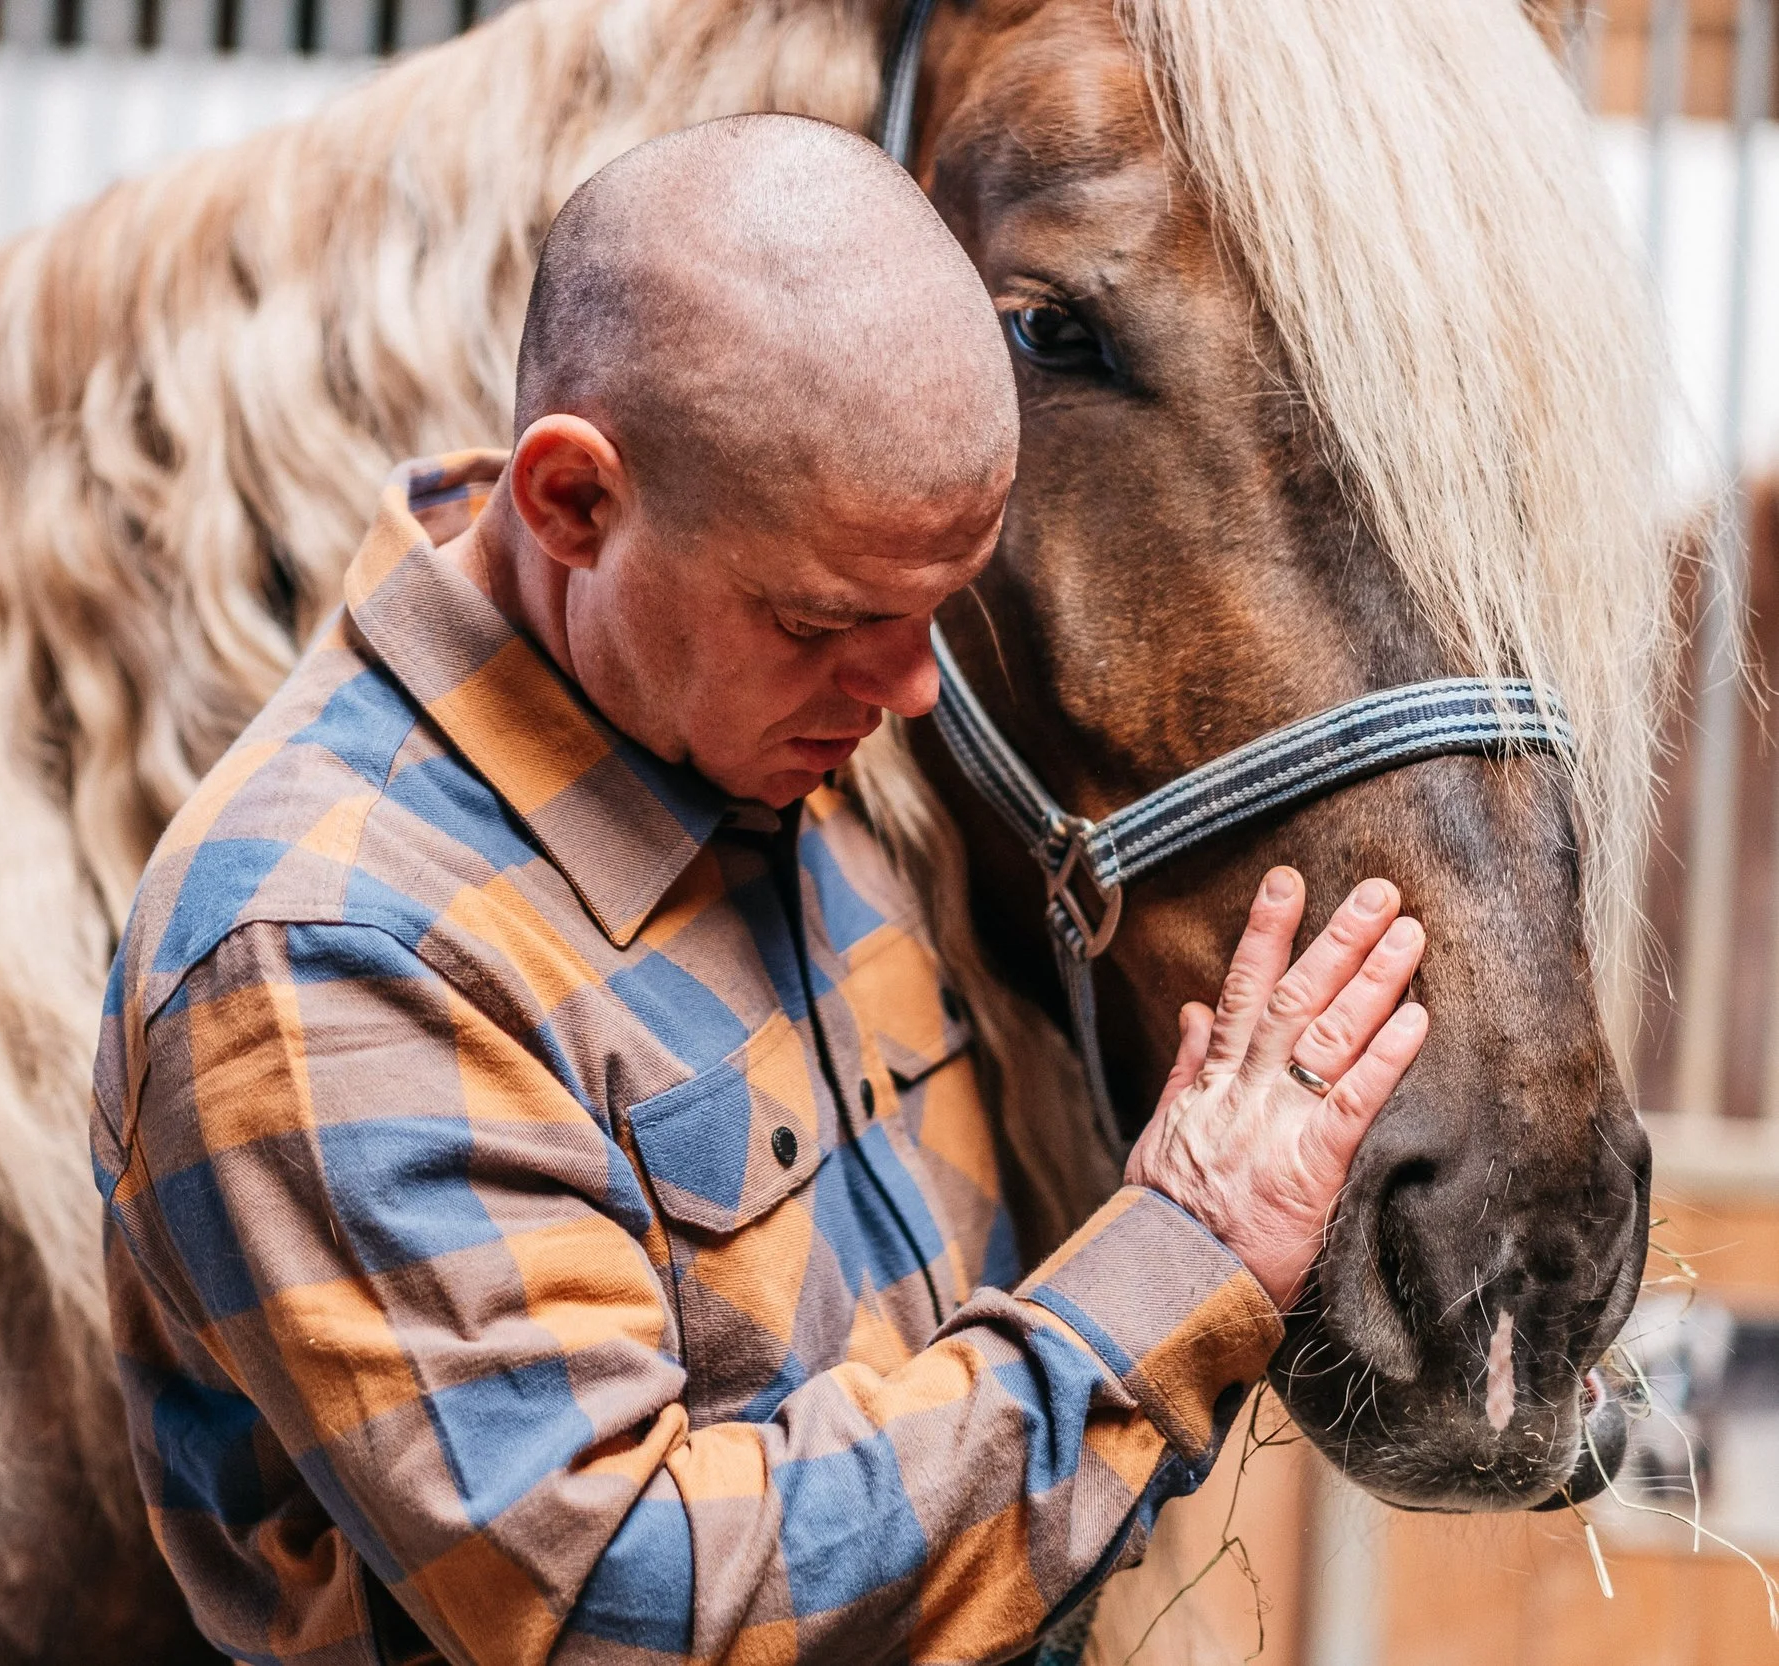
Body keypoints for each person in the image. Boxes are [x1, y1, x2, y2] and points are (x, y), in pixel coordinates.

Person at [92, 114, 1427, 1666]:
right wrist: (1173, 1266)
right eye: (828, 619)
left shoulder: (734, 698)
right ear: (575, 505)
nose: (913, 689)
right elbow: (627, 1607)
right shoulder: (322, 952)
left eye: (939, 604)